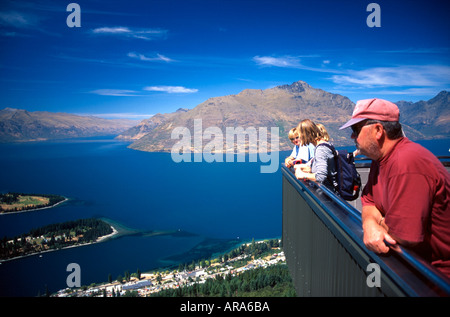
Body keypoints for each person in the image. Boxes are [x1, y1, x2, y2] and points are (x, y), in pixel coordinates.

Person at [340, 98, 450, 279]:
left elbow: (405, 236)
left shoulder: (406, 164)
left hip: (436, 280)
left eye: (356, 130)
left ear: (378, 130)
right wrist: (369, 224)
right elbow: (368, 199)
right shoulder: (380, 159)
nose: (353, 137)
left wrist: (379, 221)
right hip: (415, 270)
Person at [294, 120, 338, 193]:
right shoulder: (322, 145)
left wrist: (303, 175)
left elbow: (320, 177)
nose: (299, 139)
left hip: (327, 195)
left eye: (299, 136)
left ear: (305, 134)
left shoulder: (321, 149)